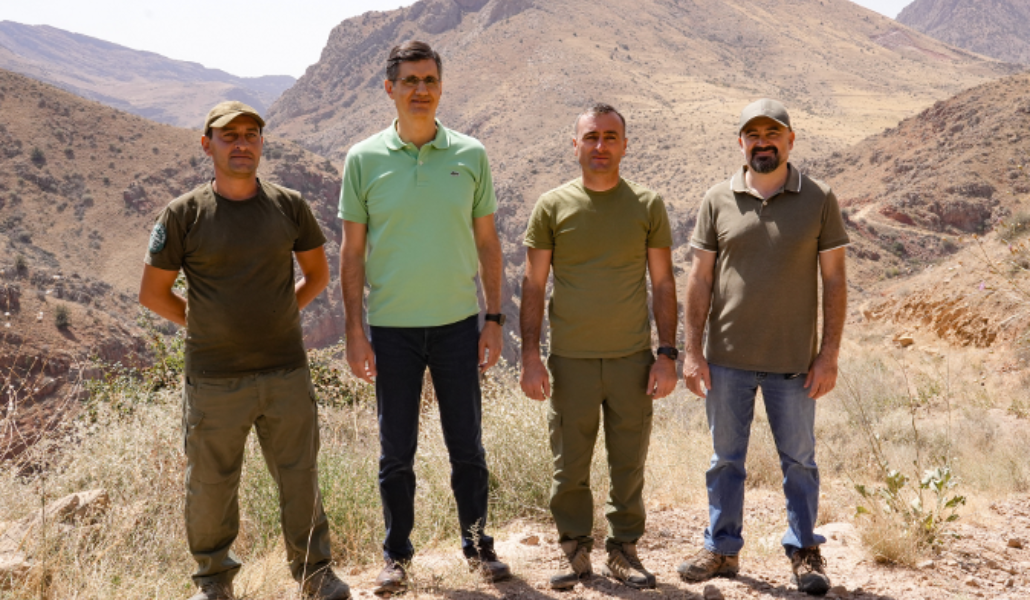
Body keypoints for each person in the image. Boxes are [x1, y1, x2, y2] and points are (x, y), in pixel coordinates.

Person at [138, 101, 349, 600]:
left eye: (251, 134)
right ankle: (213, 582)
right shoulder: (184, 214)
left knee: (300, 479)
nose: (241, 143)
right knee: (210, 486)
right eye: (228, 135)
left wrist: (280, 314)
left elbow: (317, 274)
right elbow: (153, 293)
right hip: (214, 378)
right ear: (206, 144)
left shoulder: (288, 205)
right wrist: (205, 323)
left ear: (262, 143)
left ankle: (315, 574)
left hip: (285, 372)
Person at [338, 40, 509, 594]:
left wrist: (494, 318)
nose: (420, 90)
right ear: (390, 88)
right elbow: (351, 252)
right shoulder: (363, 159)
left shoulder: (471, 154)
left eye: (429, 79)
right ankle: (396, 557)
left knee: (468, 446)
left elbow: (488, 242)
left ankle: (478, 547)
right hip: (391, 329)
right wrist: (354, 330)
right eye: (409, 80)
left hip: (459, 324)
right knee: (396, 452)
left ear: (441, 86)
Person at [677, 99, 849, 595]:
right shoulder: (717, 199)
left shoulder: (819, 198)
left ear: (790, 140)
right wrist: (692, 352)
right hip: (726, 360)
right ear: (741, 143)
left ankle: (804, 551)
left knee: (799, 462)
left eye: (773, 133)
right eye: (753, 134)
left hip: (794, 363)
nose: (763, 142)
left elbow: (835, 281)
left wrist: (829, 355)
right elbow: (700, 278)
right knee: (724, 461)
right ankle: (722, 549)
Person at [520, 103, 678, 590]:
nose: (601, 146)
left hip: (633, 359)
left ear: (625, 145)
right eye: (591, 136)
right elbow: (533, 284)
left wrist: (667, 354)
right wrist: (530, 356)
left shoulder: (647, 205)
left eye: (611, 137)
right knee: (569, 467)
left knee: (628, 464)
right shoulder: (552, 206)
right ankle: (575, 551)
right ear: (575, 145)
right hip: (571, 361)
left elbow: (663, 283)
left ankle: (623, 550)